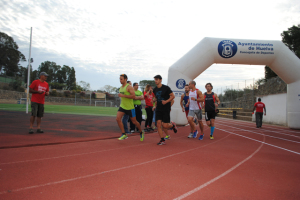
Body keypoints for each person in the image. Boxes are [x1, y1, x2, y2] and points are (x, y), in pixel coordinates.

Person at [116, 74, 144, 141]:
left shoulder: (129, 87)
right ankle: (124, 134)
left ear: (125, 79)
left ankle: (141, 132)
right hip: (123, 106)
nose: (120, 80)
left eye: (121, 79)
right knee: (118, 119)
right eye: (119, 79)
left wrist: (123, 95)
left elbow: (133, 96)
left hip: (130, 107)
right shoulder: (121, 87)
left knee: (134, 122)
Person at [152, 75, 177, 145]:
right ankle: (162, 140)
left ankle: (172, 125)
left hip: (165, 108)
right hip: (158, 108)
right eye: (155, 79)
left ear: (161, 80)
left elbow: (173, 96)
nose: (155, 81)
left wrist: (166, 101)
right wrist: (154, 101)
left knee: (165, 126)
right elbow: (156, 98)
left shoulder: (166, 88)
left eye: (157, 79)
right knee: (158, 125)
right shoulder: (155, 89)